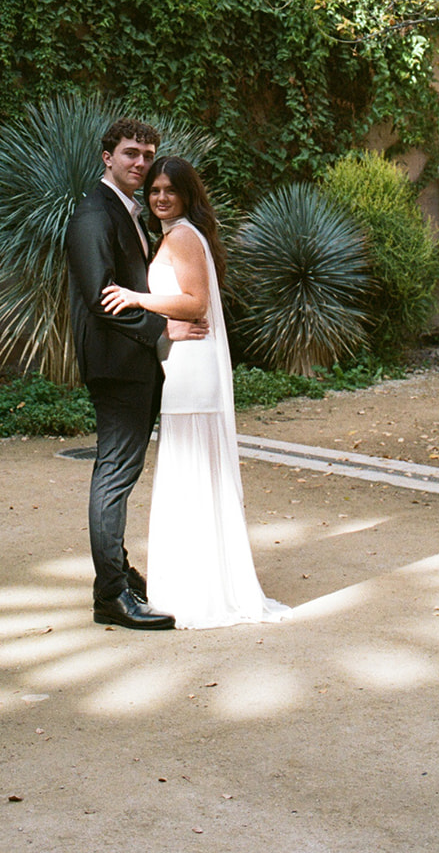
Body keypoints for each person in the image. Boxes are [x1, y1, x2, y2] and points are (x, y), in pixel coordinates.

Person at [102, 157, 288, 629]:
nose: (160, 197)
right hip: (183, 363)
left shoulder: (183, 236)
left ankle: (199, 591)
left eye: (170, 190)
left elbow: (195, 302)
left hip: (193, 366)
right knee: (192, 474)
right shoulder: (177, 235)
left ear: (186, 195)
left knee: (193, 472)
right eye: (154, 190)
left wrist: (136, 296)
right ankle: (196, 583)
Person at [65, 119, 209, 630]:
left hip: (135, 364)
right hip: (116, 364)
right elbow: (102, 299)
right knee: (115, 474)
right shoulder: (92, 214)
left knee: (122, 473)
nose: (141, 164)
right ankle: (111, 595)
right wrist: (163, 328)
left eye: (148, 155)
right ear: (107, 157)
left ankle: (120, 575)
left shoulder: (128, 212)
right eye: (130, 154)